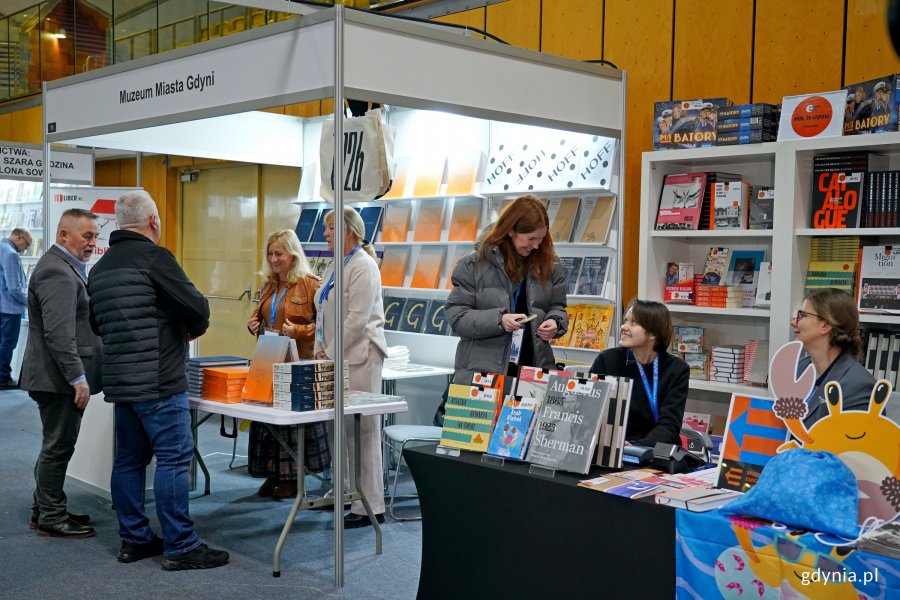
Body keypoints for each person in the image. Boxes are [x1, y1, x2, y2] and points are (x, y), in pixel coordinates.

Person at [88, 190, 228, 570]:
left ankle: (134, 539)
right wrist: (188, 329)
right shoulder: (155, 258)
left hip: (121, 381)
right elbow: (197, 307)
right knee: (173, 458)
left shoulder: (98, 270)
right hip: (159, 380)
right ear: (153, 221)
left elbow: (96, 325)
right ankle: (181, 544)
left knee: (129, 461)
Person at [21, 210, 100, 538]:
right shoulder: (57, 270)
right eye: (87, 236)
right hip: (57, 379)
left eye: (95, 236)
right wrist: (77, 378)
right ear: (64, 235)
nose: (92, 243)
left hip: (54, 377)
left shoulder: (64, 267)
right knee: (59, 446)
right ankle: (51, 516)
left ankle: (46, 509)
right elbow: (58, 333)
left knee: (55, 444)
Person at [314, 207, 388, 529]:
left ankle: (369, 505)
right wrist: (321, 350)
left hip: (359, 357)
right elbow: (324, 310)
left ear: (347, 231)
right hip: (336, 355)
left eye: (330, 229)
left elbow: (356, 320)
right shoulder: (336, 266)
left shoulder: (364, 266)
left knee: (363, 431)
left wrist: (328, 352)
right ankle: (344, 492)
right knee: (338, 428)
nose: (326, 234)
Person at [445, 194, 568, 386]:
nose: (536, 245)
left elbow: (557, 306)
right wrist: (499, 320)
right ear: (511, 231)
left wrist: (555, 322)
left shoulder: (550, 264)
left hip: (533, 371)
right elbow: (458, 318)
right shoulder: (473, 264)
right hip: (483, 374)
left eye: (541, 239)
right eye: (531, 238)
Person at [246, 229, 328, 499]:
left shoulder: (311, 284)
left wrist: (300, 332)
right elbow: (262, 316)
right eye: (270, 253)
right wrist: (252, 324)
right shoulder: (268, 285)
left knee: (291, 425)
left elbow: (326, 327)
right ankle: (272, 474)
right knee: (268, 422)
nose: (273, 259)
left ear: (293, 254)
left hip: (297, 363)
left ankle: (292, 479)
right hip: (268, 360)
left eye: (279, 253)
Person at [589, 299, 689, 447]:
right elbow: (589, 410)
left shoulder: (676, 370)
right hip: (611, 447)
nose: (624, 327)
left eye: (633, 322)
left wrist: (639, 447)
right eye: (625, 321)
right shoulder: (607, 360)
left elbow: (669, 424)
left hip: (655, 450)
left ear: (653, 333)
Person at [792, 288, 875, 426]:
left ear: (825, 325)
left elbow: (854, 445)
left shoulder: (858, 386)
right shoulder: (799, 368)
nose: (794, 322)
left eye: (802, 315)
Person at [0, 228, 32, 387]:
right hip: (10, 308)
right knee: (8, 343)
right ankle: (3, 376)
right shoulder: (11, 254)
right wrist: (30, 302)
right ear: (19, 238)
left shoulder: (1, 247)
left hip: (2, 305)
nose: (25, 249)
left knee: (3, 342)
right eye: (26, 245)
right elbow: (14, 288)